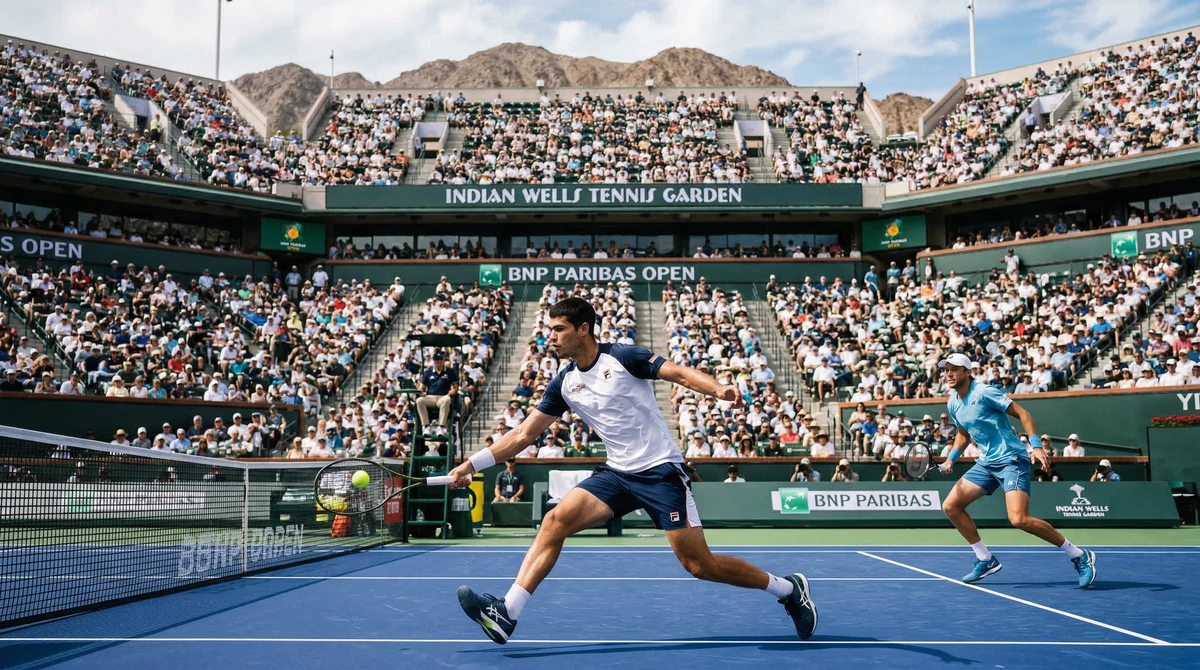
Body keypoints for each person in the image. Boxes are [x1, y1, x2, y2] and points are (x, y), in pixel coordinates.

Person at [449, 297, 816, 644]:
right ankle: (507, 613)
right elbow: (523, 433)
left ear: (584, 329)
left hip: (659, 473)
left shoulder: (623, 357)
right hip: (617, 474)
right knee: (554, 521)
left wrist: (717, 389)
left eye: (559, 329)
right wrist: (472, 464)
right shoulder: (565, 382)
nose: (551, 337)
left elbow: (679, 374)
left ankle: (787, 589)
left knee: (699, 565)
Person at [936, 353, 1095, 587]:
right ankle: (985, 558)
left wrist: (1037, 446)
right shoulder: (952, 402)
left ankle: (1079, 555)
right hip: (987, 462)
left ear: (967, 372)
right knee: (951, 506)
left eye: (955, 369)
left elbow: (1024, 414)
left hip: (1012, 459)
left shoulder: (984, 392)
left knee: (1019, 519)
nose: (949, 373)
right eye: (946, 369)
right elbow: (963, 433)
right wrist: (951, 459)